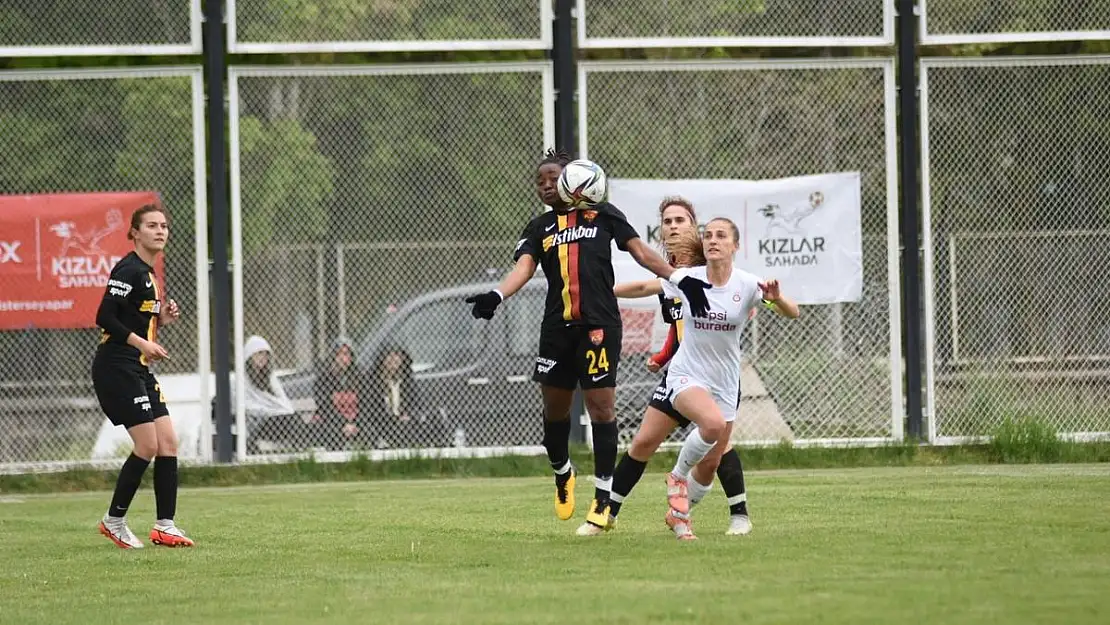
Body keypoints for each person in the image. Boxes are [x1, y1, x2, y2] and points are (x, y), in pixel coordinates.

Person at [464, 150, 714, 536]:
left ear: (574, 180)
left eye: (554, 178)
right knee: (555, 412)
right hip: (557, 330)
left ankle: (601, 498)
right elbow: (524, 268)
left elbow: (641, 251)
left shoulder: (604, 215)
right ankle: (563, 472)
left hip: (599, 325)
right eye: (541, 180)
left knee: (601, 408)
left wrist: (678, 278)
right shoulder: (540, 227)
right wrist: (497, 295)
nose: (547, 185)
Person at [605, 217, 800, 540]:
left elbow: (792, 312)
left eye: (721, 236)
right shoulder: (687, 279)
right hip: (686, 374)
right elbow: (645, 286)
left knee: (712, 459)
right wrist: (603, 291)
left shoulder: (747, 284)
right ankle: (676, 479)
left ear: (735, 245)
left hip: (723, 380)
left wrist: (777, 298)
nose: (712, 240)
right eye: (708, 235)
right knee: (709, 424)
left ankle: (679, 513)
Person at [616, 197, 757, 536]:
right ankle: (604, 512)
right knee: (644, 442)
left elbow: (746, 297)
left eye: (681, 220)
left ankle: (732, 513)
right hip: (684, 373)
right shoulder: (672, 274)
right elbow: (666, 308)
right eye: (667, 222)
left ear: (696, 227)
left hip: (719, 374)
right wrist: (664, 356)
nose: (674, 226)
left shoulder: (708, 265)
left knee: (715, 452)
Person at [92, 204, 193, 549]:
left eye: (164, 225)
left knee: (167, 443)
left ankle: (165, 526)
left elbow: (133, 321)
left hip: (138, 366)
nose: (160, 231)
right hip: (117, 366)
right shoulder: (129, 269)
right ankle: (113, 521)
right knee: (147, 444)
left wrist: (160, 319)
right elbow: (104, 315)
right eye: (151, 225)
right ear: (135, 232)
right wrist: (142, 342)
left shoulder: (149, 275)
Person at [312, 336, 369, 449]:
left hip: (355, 421)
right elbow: (325, 407)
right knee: (332, 434)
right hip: (332, 421)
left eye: (347, 354)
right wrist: (343, 424)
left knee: (369, 432)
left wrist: (354, 423)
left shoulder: (360, 377)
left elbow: (366, 404)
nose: (343, 358)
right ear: (333, 356)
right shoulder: (323, 378)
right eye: (339, 354)